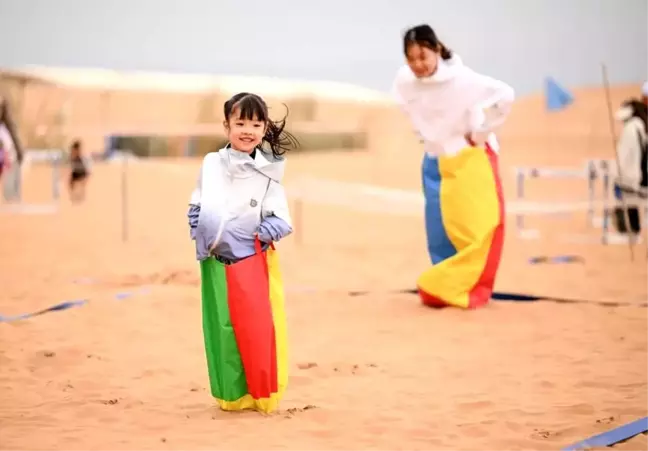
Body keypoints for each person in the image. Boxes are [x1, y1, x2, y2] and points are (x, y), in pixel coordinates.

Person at [392, 24, 515, 310]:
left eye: (423, 56)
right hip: (434, 160)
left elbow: (505, 95)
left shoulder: (462, 79)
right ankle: (445, 288)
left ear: (436, 49)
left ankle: (469, 289)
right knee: (439, 229)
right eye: (411, 58)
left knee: (475, 228)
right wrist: (422, 134)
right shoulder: (404, 79)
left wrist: (483, 131)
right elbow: (403, 103)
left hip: (468, 159)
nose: (417, 65)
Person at [187, 92, 295, 413]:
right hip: (214, 259)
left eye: (255, 123)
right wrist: (199, 230)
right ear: (227, 126)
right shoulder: (211, 164)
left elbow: (283, 220)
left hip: (251, 260)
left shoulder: (269, 173)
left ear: (264, 129)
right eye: (240, 122)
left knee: (256, 329)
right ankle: (231, 397)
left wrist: (262, 234)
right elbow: (197, 201)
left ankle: (261, 393)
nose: (247, 130)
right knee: (223, 329)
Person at [612, 99, 648, 235]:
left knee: (624, 196)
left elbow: (624, 155)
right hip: (639, 175)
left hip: (633, 176)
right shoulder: (640, 126)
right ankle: (633, 226)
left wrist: (617, 176)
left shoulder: (631, 128)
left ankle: (630, 228)